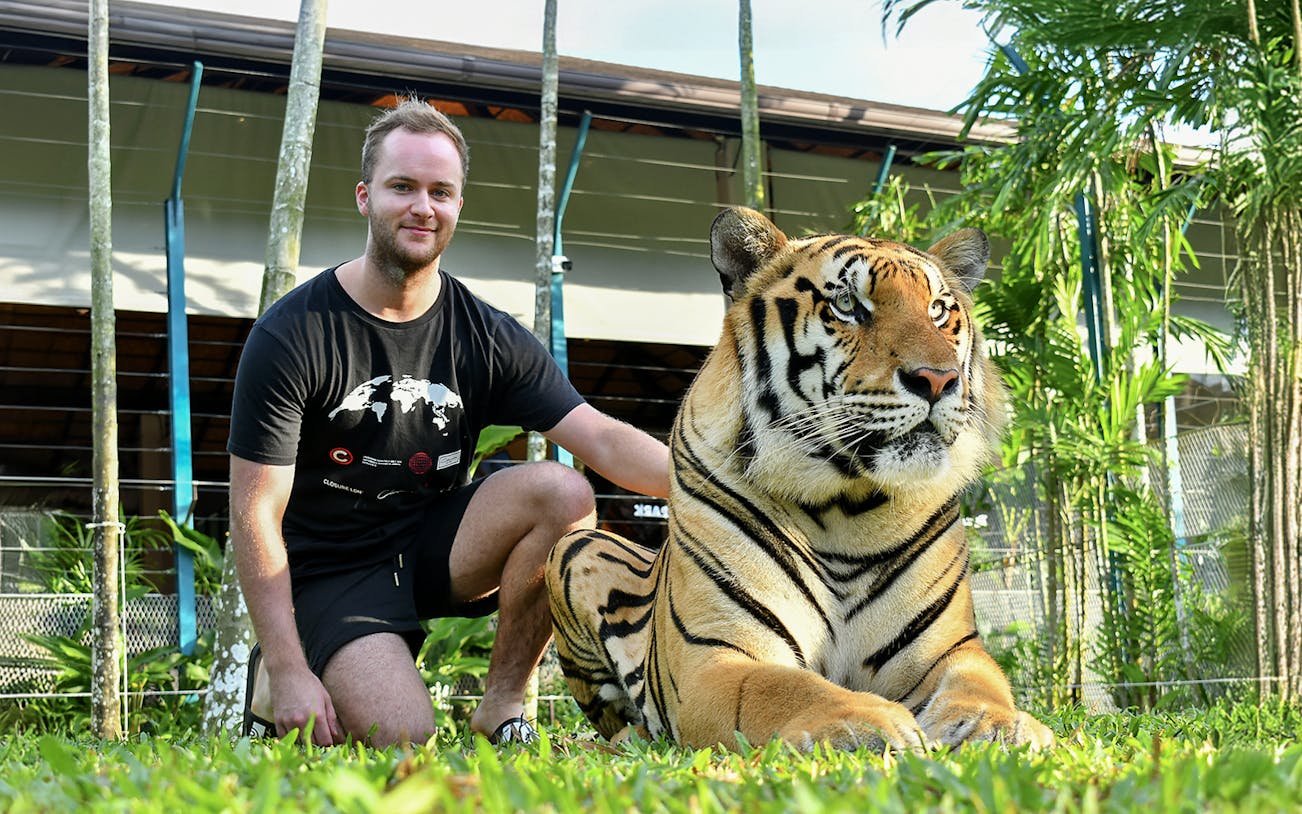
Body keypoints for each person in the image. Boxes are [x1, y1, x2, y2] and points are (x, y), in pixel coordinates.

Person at [227, 98, 670, 748]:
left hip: (430, 546)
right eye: (402, 187)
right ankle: (279, 675)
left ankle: (502, 708)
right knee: (405, 737)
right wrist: (293, 668)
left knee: (564, 494)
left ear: (459, 205)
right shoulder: (293, 334)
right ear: (363, 196)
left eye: (441, 191)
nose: (422, 207)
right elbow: (255, 513)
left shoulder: (484, 335)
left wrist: (716, 486)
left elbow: (598, 436)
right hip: (330, 571)